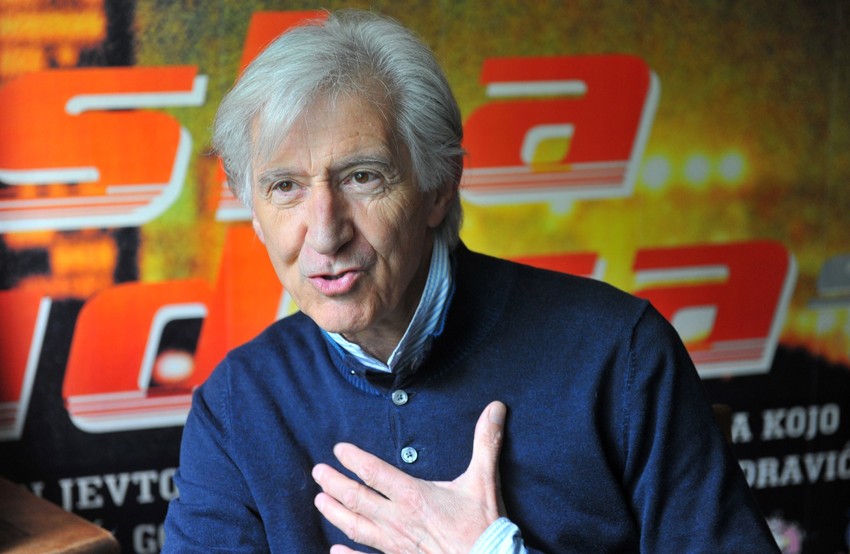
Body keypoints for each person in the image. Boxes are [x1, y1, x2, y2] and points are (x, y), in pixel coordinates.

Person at [163, 9, 779, 553]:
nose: (325, 234)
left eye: (362, 177)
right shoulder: (237, 404)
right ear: (255, 213)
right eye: (285, 187)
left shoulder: (621, 354)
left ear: (439, 187)